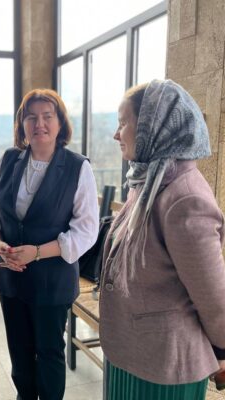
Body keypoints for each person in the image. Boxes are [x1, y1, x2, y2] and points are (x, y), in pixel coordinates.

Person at [99, 79, 225, 400]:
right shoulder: (148, 180)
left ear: (151, 128)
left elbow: (212, 295)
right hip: (135, 350)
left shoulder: (185, 197)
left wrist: (222, 351)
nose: (116, 134)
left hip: (165, 365)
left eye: (123, 123)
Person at [0, 88, 99, 400]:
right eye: (31, 117)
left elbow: (86, 231)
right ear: (22, 124)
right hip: (9, 275)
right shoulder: (8, 160)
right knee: (19, 352)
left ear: (60, 123)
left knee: (48, 353)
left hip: (51, 279)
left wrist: (37, 253)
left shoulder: (77, 167)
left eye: (47, 116)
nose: (39, 123)